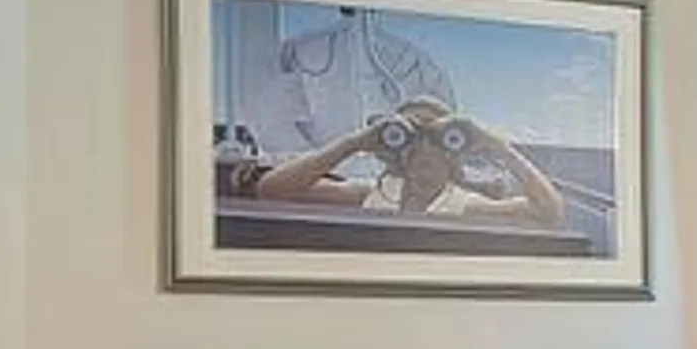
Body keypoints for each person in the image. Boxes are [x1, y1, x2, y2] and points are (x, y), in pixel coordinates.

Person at [224, 101, 566, 228]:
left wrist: (494, 145)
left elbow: (549, 212)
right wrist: (356, 141)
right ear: (396, 151)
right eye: (412, 138)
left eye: (437, 140)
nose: (425, 151)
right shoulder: (373, 196)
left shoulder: (466, 206)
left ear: (454, 150)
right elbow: (271, 190)